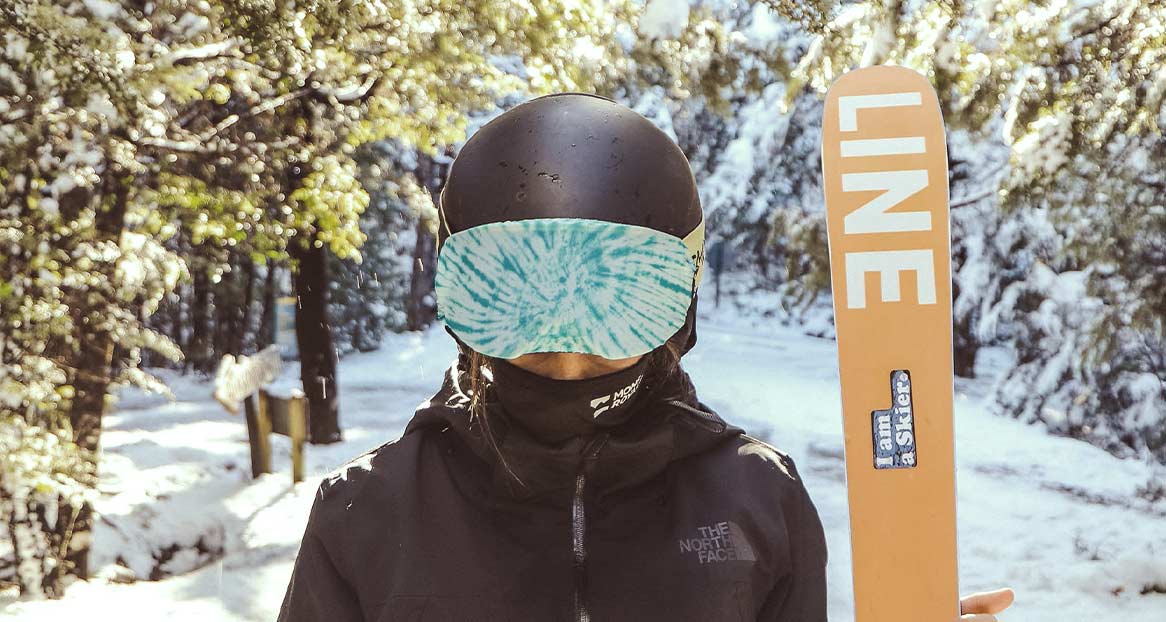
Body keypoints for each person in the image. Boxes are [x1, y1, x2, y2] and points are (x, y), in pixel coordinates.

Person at [277, 92, 1015, 621]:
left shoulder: (755, 501)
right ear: (468, 312)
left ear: (676, 311)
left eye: (615, 316)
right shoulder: (367, 512)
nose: (567, 363)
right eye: (525, 321)